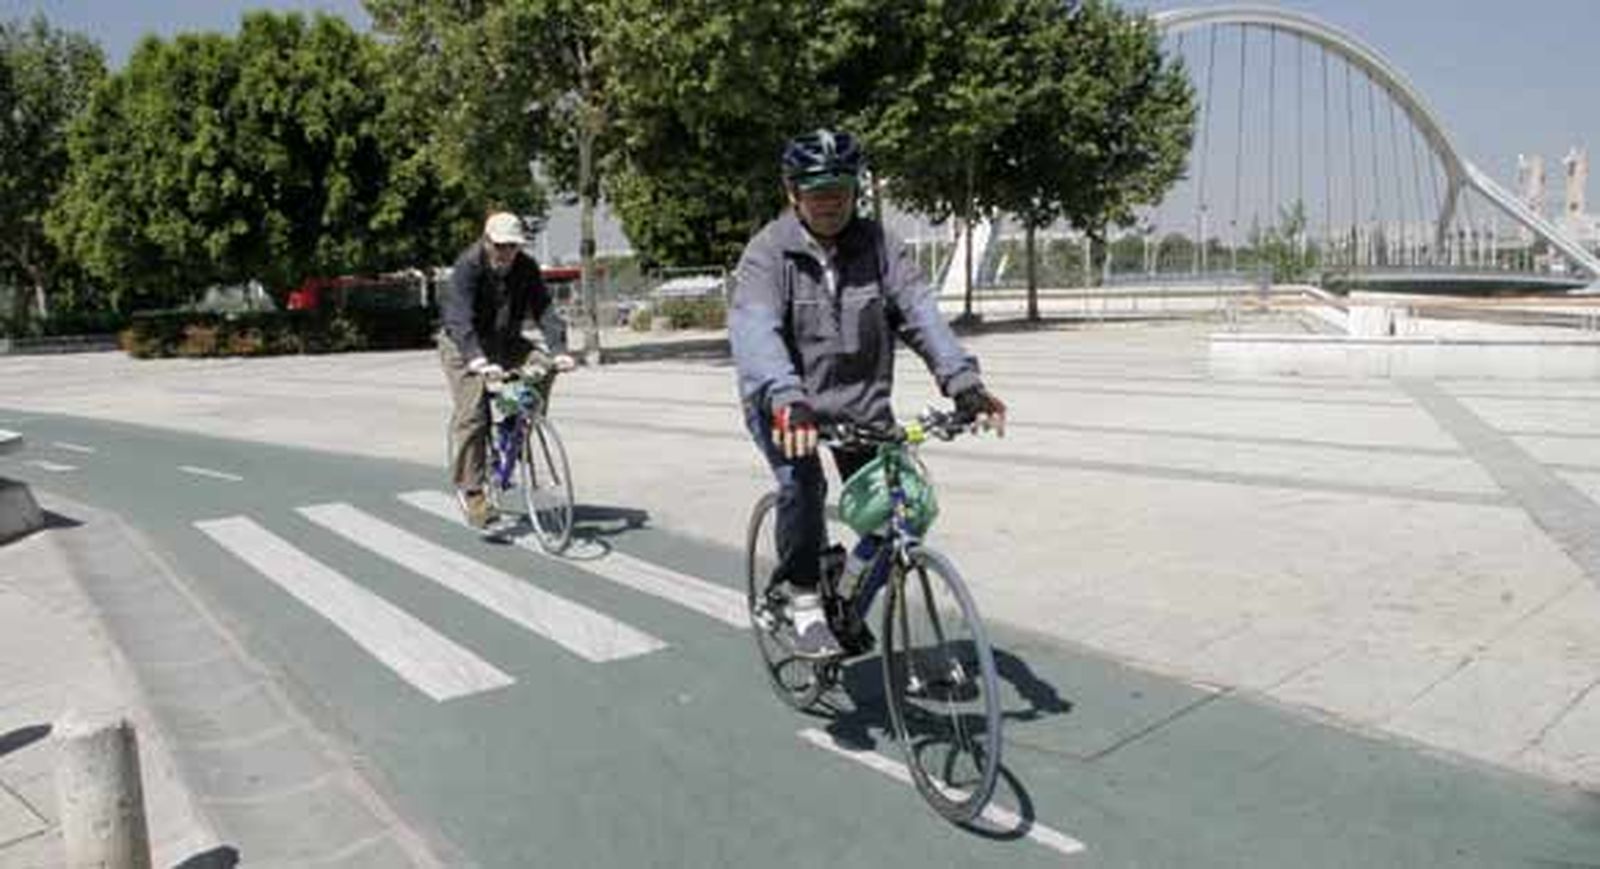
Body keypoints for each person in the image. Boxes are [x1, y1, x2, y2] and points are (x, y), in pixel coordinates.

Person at [730, 129, 1007, 658]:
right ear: (792, 192)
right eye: (817, 189)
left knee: (904, 508)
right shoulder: (768, 254)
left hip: (859, 407)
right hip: (787, 404)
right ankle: (802, 594)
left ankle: (849, 588)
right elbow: (756, 330)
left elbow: (921, 312)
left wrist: (963, 381)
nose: (831, 200)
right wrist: (787, 398)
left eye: (841, 187)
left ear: (856, 190)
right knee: (803, 483)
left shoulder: (881, 247)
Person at [439, 211, 575, 528]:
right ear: (486, 241)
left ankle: (517, 423)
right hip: (462, 344)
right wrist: (476, 358)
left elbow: (544, 310)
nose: (506, 253)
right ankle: (474, 492)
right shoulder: (468, 266)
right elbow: (458, 316)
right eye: (500, 246)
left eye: (512, 246)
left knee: (542, 366)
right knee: (473, 413)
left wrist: (559, 351)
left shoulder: (525, 267)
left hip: (504, 340)